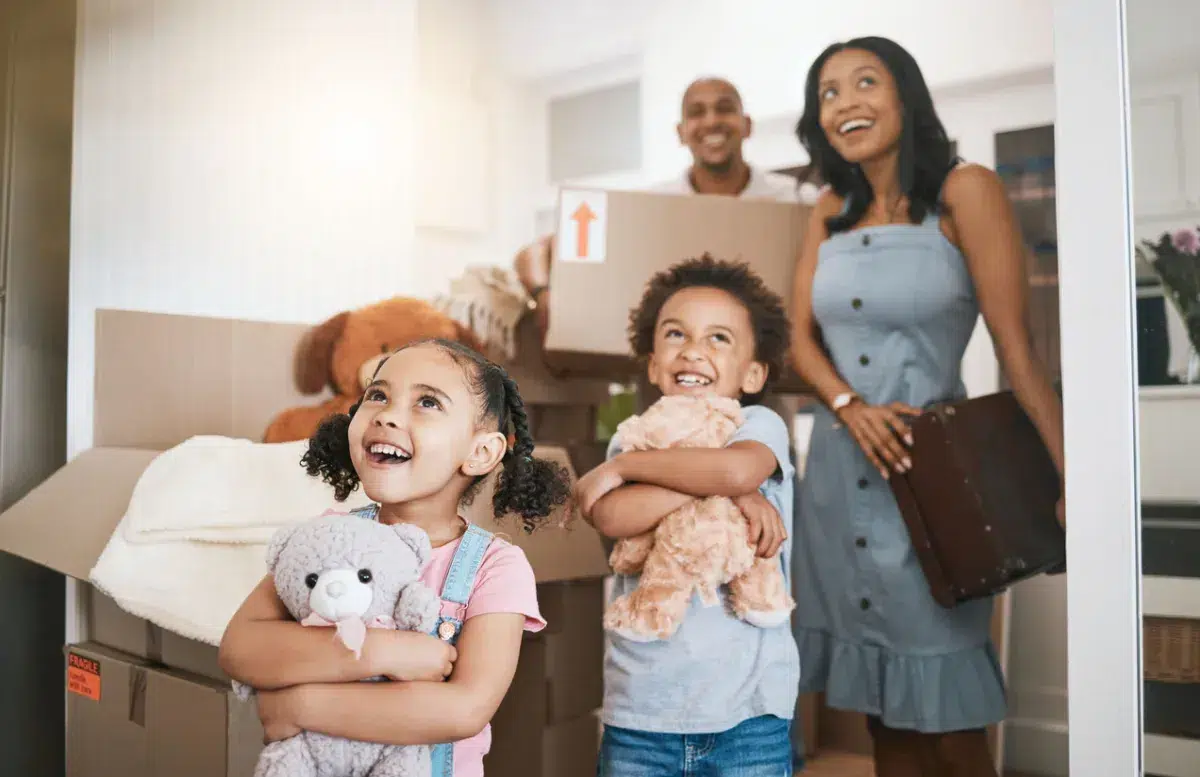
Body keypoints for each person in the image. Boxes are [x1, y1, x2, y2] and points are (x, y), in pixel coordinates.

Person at [788, 36, 1066, 776]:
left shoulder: (965, 190)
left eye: (865, 82)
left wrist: (1069, 473)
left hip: (931, 478)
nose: (846, 102)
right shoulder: (827, 210)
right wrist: (848, 405)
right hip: (838, 481)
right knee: (882, 710)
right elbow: (798, 340)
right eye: (828, 92)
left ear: (904, 96)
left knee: (949, 712)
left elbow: (1018, 348)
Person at [217, 339, 572, 777]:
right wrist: (385, 650)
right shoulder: (329, 535)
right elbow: (241, 647)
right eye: (378, 395)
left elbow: (463, 708)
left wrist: (301, 704)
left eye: (427, 402)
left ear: (480, 452)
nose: (386, 414)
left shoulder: (495, 567)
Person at [573, 255, 799, 777]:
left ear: (753, 372)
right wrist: (722, 488)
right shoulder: (636, 431)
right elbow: (613, 514)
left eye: (718, 338)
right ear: (653, 363)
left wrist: (633, 469)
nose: (694, 350)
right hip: (642, 713)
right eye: (676, 334)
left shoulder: (758, 424)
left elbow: (739, 468)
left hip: (748, 715)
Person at [514, 76, 814, 332]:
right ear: (681, 133)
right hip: (670, 386)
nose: (711, 121)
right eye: (697, 113)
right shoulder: (650, 207)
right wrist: (543, 295)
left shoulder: (799, 200)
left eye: (724, 109)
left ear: (747, 125)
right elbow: (536, 251)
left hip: (775, 384)